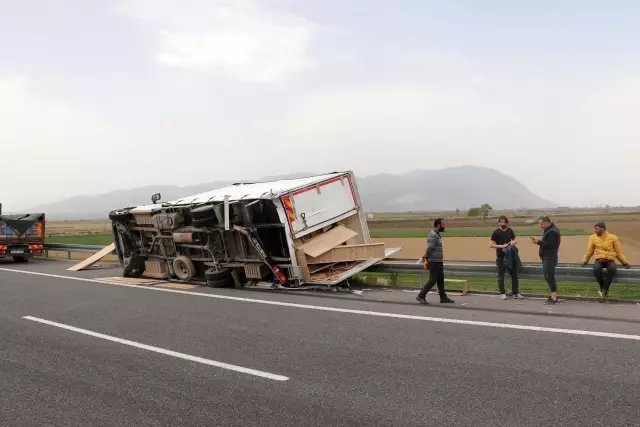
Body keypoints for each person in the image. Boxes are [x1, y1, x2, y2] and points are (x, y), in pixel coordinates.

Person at [581, 221, 631, 298]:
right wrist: (585, 261)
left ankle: (605, 290)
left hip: (610, 259)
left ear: (602, 229)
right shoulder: (592, 237)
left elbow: (618, 252)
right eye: (595, 229)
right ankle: (603, 289)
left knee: (612, 269)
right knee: (596, 269)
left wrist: (625, 263)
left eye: (597, 229)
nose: (595, 231)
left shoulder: (613, 237)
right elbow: (589, 251)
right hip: (599, 259)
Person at [416, 218, 455, 305]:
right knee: (433, 280)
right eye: (443, 224)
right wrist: (426, 256)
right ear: (438, 225)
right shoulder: (433, 235)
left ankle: (443, 297)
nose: (444, 226)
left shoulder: (437, 234)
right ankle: (421, 295)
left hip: (438, 261)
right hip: (434, 262)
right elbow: (430, 247)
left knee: (440, 280)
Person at [490, 215, 523, 300]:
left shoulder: (510, 231)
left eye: (504, 222)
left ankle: (515, 293)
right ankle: (502, 293)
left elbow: (514, 240)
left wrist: (513, 242)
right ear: (499, 223)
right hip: (501, 257)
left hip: (510, 257)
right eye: (501, 221)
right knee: (501, 275)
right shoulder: (496, 232)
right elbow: (491, 245)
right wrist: (502, 246)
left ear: (507, 222)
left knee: (514, 275)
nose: (503, 223)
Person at [531, 216, 561, 304]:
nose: (540, 226)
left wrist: (538, 242)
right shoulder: (549, 230)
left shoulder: (552, 232)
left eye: (541, 224)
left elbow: (551, 245)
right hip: (546, 257)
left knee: (550, 276)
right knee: (547, 276)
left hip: (550, 258)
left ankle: (554, 297)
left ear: (547, 222)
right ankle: (553, 295)